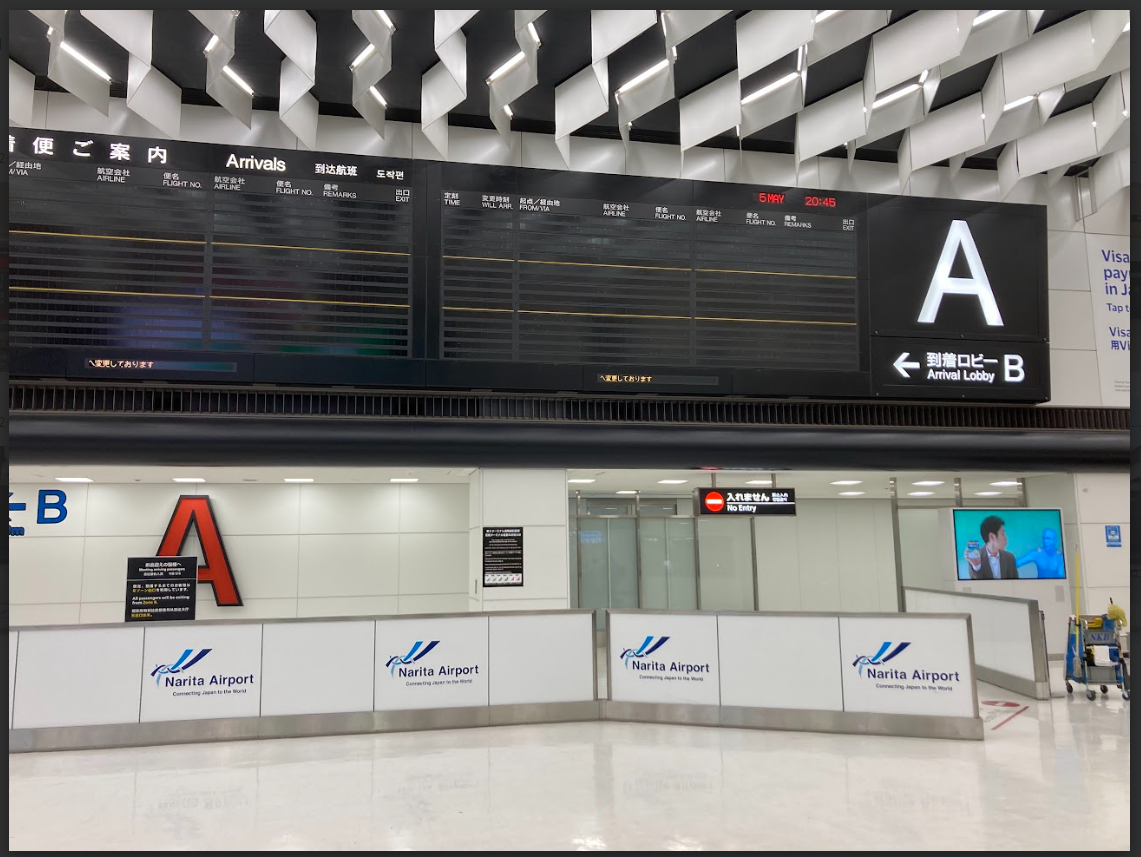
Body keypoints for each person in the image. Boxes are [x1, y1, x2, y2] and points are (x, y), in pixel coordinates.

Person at [965, 515, 1017, 579]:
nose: (1006, 538)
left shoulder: (1010, 557)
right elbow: (975, 586)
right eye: (1002, 534)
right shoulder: (975, 558)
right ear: (992, 536)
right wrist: (976, 566)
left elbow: (1016, 584)